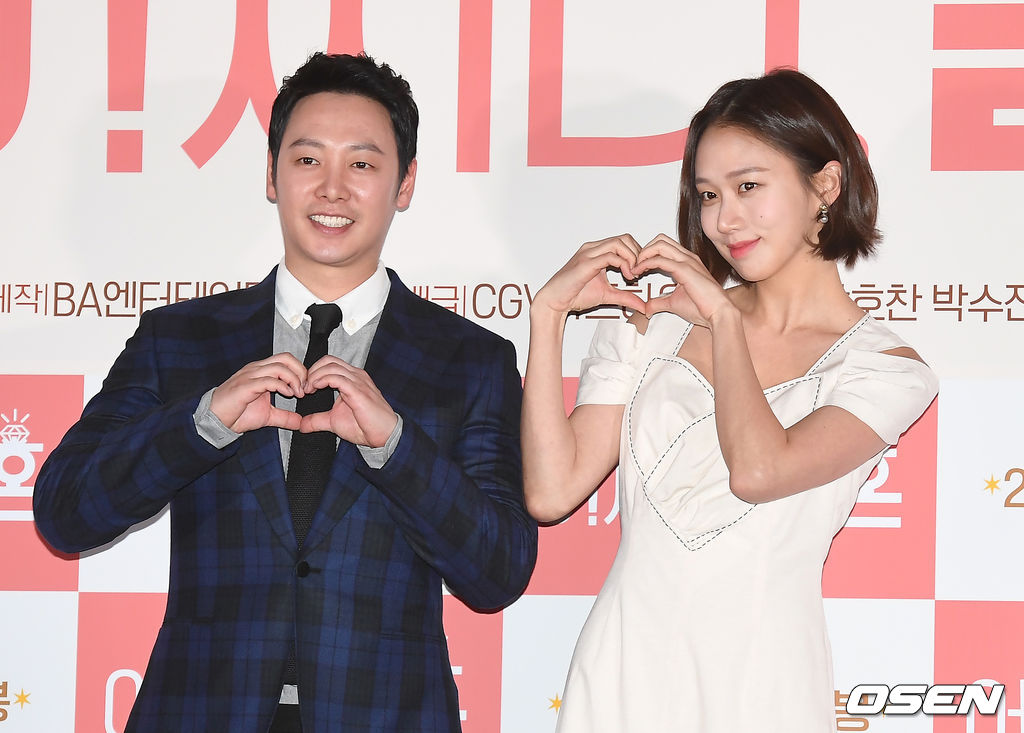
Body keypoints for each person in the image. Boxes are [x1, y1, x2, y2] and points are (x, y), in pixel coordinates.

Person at [33, 52, 536, 733]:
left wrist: (397, 447)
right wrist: (201, 424)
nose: (332, 188)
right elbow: (64, 512)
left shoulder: (469, 359)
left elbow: (499, 571)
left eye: (362, 164)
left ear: (406, 182)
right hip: (200, 712)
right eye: (307, 159)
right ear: (271, 175)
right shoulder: (180, 340)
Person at [522, 69, 938, 732]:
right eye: (708, 194)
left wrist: (723, 320)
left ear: (826, 185)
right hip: (625, 669)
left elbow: (760, 470)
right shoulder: (652, 325)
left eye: (748, 187)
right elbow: (551, 492)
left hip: (760, 683)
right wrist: (546, 317)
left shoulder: (884, 370)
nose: (723, 220)